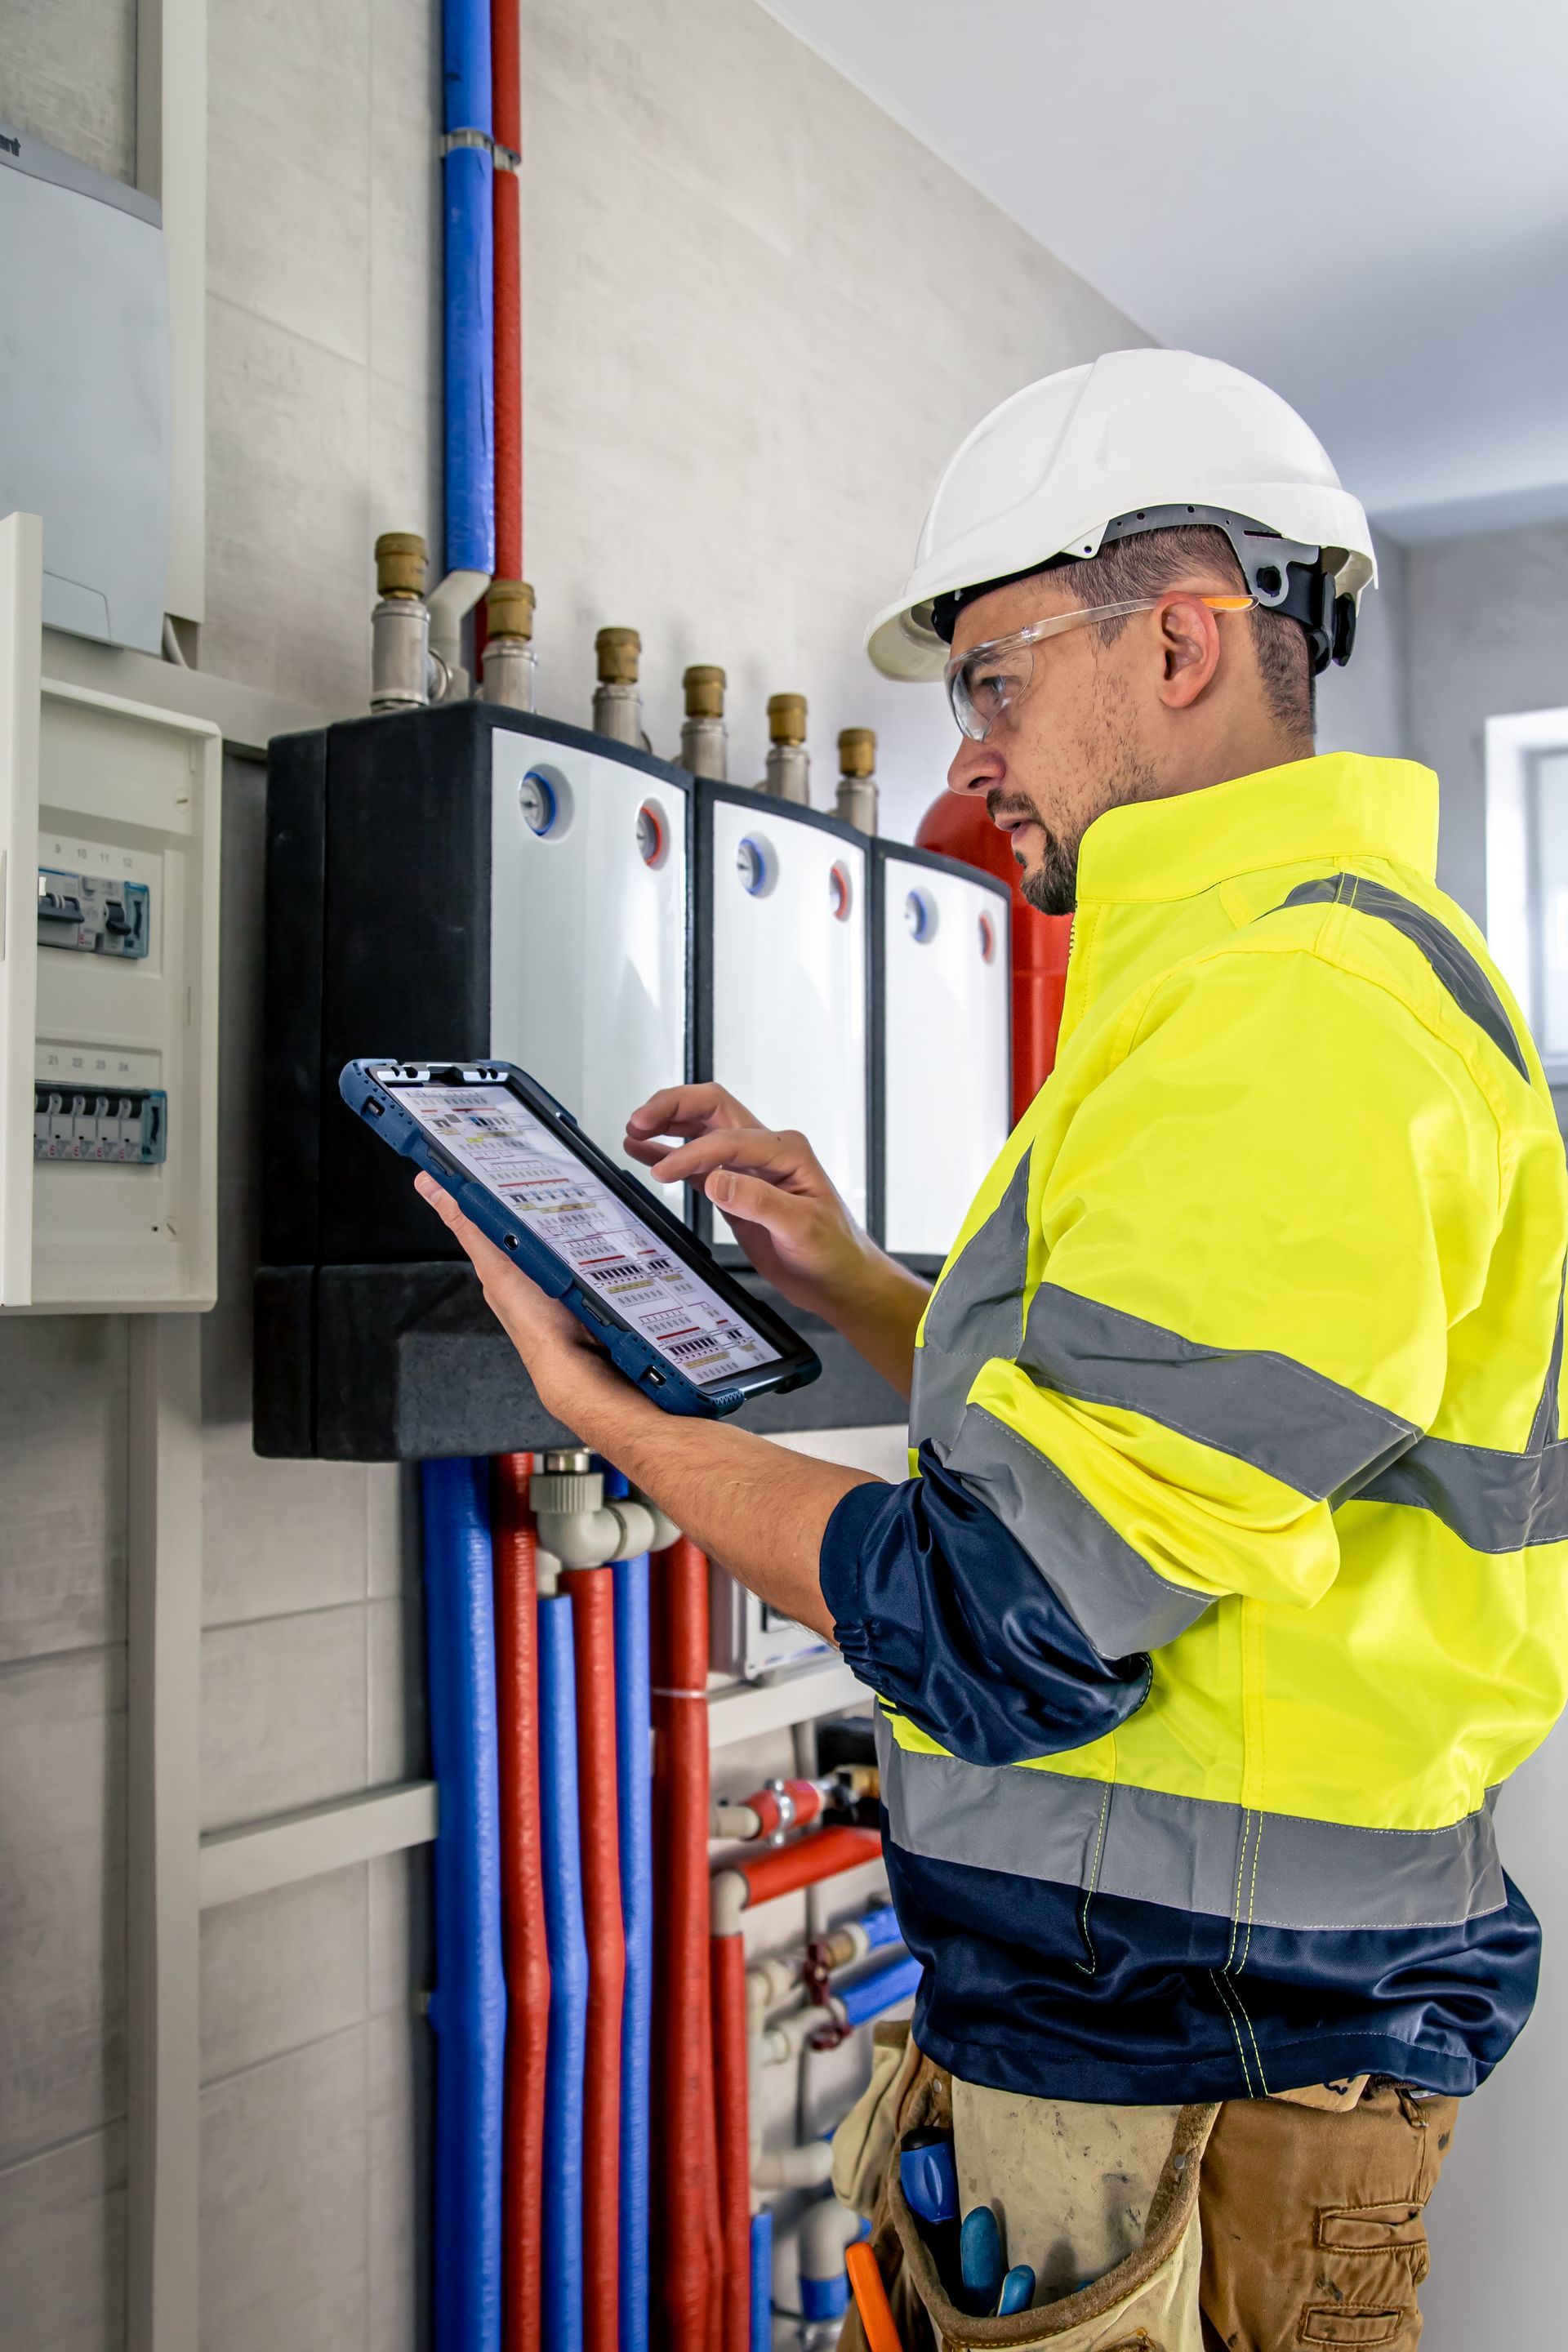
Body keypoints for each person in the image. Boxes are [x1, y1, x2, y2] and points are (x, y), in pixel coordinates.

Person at [417, 349, 1568, 2350]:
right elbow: (1149, 1424)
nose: (969, 767)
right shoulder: (1257, 982)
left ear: (1183, 641)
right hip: (1172, 2013)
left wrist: (613, 1416)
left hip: (1189, 2048)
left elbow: (1005, 1616)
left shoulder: (1291, 1015)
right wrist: (846, 1269)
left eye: (993, 681)